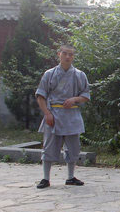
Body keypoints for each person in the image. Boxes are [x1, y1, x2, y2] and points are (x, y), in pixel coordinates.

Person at [35, 44, 90, 189]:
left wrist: (74, 99)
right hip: (54, 114)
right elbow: (40, 95)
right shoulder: (49, 74)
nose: (67, 57)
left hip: (72, 114)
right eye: (65, 53)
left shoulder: (79, 75)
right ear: (59, 54)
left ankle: (70, 177)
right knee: (49, 146)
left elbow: (85, 95)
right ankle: (46, 178)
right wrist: (47, 113)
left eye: (70, 54)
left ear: (73, 56)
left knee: (73, 147)